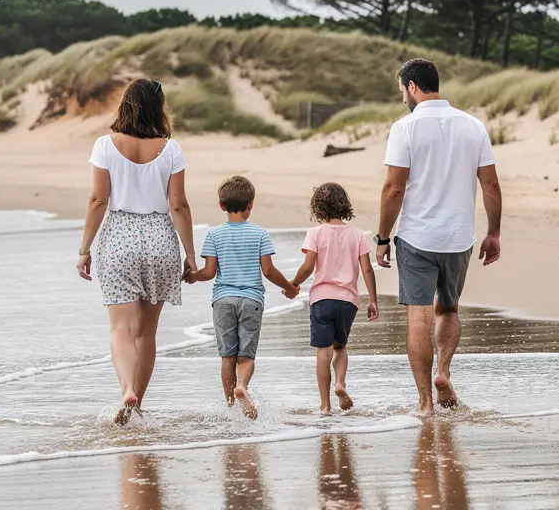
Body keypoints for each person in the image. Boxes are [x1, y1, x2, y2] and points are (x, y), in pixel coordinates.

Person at [374, 58, 502, 416]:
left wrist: (383, 238)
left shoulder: (406, 127)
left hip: (417, 238)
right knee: (448, 308)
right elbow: (490, 184)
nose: (403, 97)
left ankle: (425, 403)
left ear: (413, 86)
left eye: (402, 90)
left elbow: (393, 188)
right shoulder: (473, 125)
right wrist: (493, 233)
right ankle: (443, 372)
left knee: (419, 316)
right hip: (459, 237)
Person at [76, 78, 197, 426]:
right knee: (146, 332)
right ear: (158, 108)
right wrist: (190, 254)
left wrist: (85, 249)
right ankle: (137, 404)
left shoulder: (104, 145)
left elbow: (98, 200)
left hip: (119, 240)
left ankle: (127, 389)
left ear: (126, 104)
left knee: (120, 329)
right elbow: (179, 205)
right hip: (161, 239)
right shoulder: (171, 149)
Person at [184, 175, 299, 419]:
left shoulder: (214, 235)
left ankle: (231, 409)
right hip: (252, 301)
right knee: (246, 356)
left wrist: (192, 276)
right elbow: (268, 271)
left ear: (221, 206)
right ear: (251, 205)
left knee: (228, 356)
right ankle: (242, 387)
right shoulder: (259, 234)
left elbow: (209, 272)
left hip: (223, 301)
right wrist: (289, 287)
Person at [290, 183, 378, 416]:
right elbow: (367, 270)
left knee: (323, 351)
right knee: (340, 346)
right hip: (348, 301)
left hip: (322, 299)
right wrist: (373, 300)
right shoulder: (357, 234)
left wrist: (294, 284)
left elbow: (308, 266)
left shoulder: (315, 233)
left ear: (318, 207)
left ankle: (325, 404)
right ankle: (340, 382)